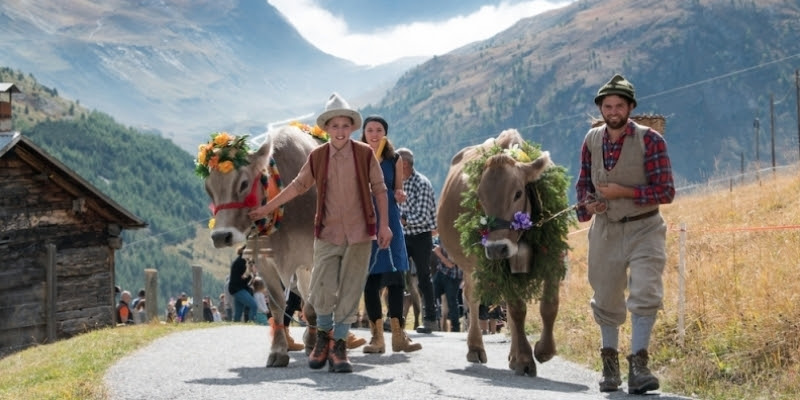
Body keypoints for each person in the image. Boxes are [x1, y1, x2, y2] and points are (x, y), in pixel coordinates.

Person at [248, 93, 392, 373]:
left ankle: (338, 347)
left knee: (350, 289)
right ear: (327, 129)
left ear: (351, 127)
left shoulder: (365, 154)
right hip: (325, 233)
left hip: (361, 232)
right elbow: (298, 186)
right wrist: (269, 208)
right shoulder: (317, 156)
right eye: (334, 126)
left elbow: (380, 189)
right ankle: (323, 337)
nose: (340, 131)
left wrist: (384, 225)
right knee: (321, 289)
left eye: (344, 125)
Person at [576, 74, 675, 395]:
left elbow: (666, 191)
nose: (613, 111)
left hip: (645, 227)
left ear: (630, 107)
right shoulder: (591, 140)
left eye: (619, 105)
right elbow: (582, 185)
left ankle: (639, 365)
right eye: (608, 106)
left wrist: (623, 192)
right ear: (601, 109)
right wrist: (588, 206)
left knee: (646, 290)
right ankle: (610, 365)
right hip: (605, 230)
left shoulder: (651, 141)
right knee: (605, 296)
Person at [359, 115, 422, 354]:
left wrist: (399, 194)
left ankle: (398, 335)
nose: (374, 134)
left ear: (385, 133)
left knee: (396, 276)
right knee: (370, 278)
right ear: (363, 133)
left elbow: (398, 188)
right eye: (370, 130)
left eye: (379, 130)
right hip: (365, 220)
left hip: (391, 220)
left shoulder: (394, 159)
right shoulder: (357, 157)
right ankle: (376, 337)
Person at [397, 147, 438, 334]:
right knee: (396, 274)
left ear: (404, 164)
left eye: (396, 163)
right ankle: (395, 317)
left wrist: (402, 219)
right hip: (404, 235)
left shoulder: (422, 183)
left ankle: (430, 319)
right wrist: (402, 219)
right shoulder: (398, 183)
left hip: (422, 237)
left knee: (423, 277)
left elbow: (422, 218)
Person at [431, 235, 462, 332]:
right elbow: (437, 249)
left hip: (453, 275)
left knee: (452, 301)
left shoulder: (458, 235)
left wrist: (440, 255)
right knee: (432, 296)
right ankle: (433, 323)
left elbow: (452, 262)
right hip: (441, 271)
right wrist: (439, 253)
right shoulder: (443, 234)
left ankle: (455, 329)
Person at [228, 245, 260, 323]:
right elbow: (243, 278)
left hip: (237, 288)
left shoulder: (242, 261)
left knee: (238, 313)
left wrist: (252, 274)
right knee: (254, 305)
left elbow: (245, 279)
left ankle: (235, 327)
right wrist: (251, 272)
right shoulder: (242, 262)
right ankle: (252, 322)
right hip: (238, 289)